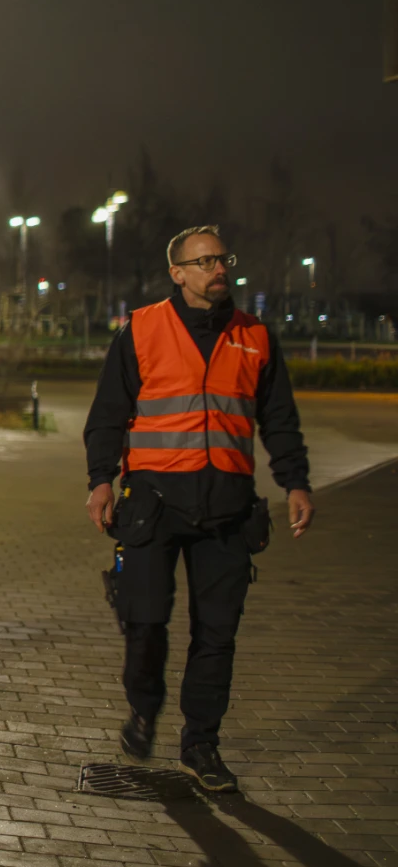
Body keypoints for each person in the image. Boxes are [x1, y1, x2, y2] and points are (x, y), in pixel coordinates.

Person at [83, 225, 313, 793]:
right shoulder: (141, 329)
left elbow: (278, 417)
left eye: (222, 259)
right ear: (178, 273)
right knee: (146, 620)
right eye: (204, 260)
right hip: (154, 505)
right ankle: (144, 706)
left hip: (227, 509)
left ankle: (201, 745)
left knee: (217, 633)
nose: (218, 269)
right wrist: (100, 481)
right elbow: (108, 412)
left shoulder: (255, 336)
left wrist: (296, 483)